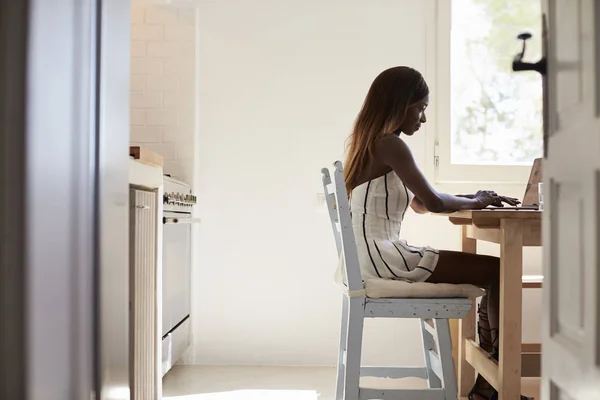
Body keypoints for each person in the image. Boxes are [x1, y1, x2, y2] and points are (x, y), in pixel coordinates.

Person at [344, 66, 531, 400]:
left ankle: (490, 384)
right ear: (401, 105)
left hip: (371, 255)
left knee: (492, 271)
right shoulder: (390, 145)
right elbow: (432, 201)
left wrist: (473, 198)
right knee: (497, 271)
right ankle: (492, 386)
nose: (423, 118)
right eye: (421, 108)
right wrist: (477, 199)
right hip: (383, 259)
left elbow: (419, 204)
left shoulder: (373, 144)